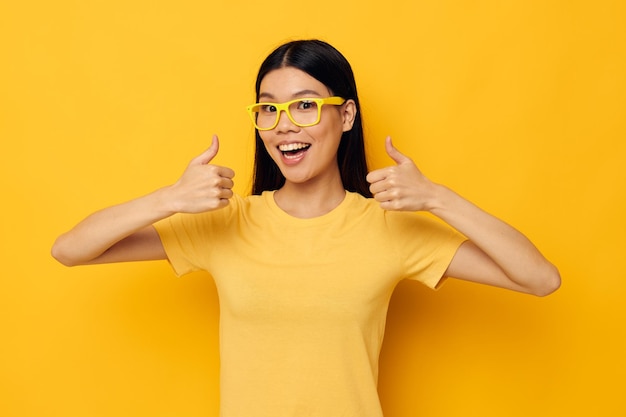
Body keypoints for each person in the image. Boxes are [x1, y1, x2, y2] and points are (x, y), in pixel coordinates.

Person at [52, 39, 560, 417]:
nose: (285, 125)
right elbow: (71, 250)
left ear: (346, 116)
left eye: (304, 104)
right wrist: (169, 199)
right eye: (268, 108)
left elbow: (539, 278)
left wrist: (436, 197)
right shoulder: (229, 222)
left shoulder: (388, 227)